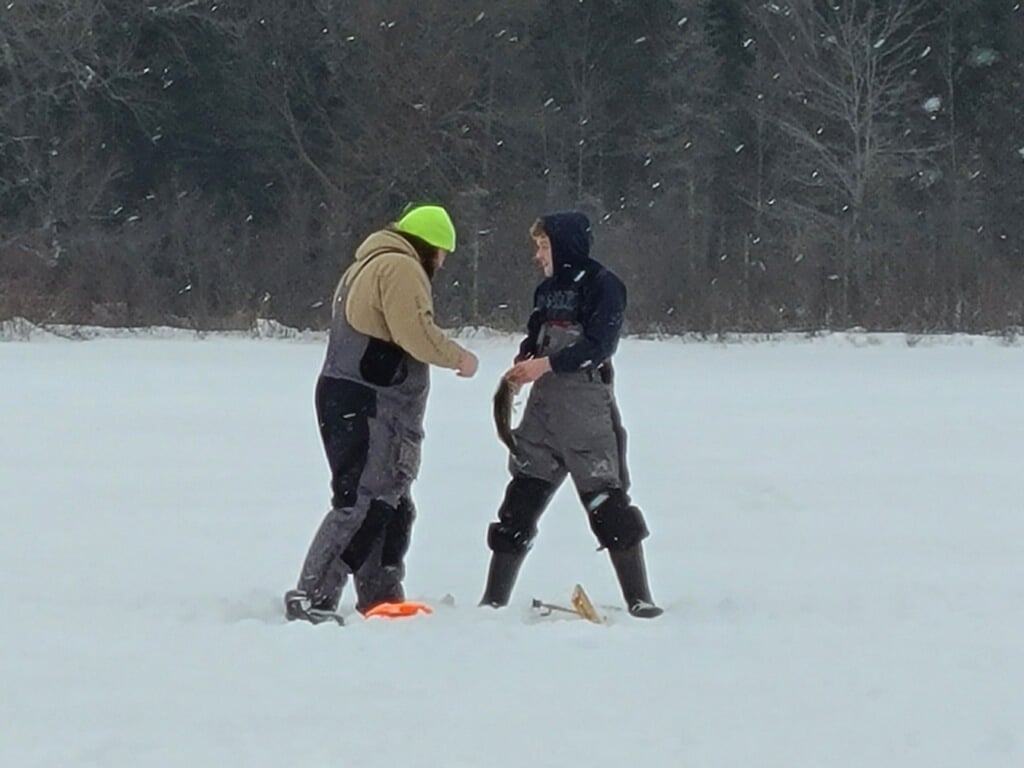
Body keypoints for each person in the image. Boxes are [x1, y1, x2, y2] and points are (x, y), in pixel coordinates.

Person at [285, 203, 478, 624]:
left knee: (389, 502)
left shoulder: (366, 264)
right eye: (442, 254)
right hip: (372, 402)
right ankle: (313, 595)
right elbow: (415, 333)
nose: (441, 264)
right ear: (427, 246)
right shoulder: (400, 267)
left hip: (349, 396)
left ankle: (380, 595)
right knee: (365, 500)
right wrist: (458, 357)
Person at [479, 210, 662, 618]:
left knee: (606, 502)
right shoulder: (546, 291)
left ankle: (639, 598)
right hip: (542, 414)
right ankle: (492, 601)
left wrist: (545, 365)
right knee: (519, 504)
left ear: (564, 247)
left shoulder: (603, 284)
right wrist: (525, 359)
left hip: (586, 411)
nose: (537, 255)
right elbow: (535, 333)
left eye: (543, 246)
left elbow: (600, 344)